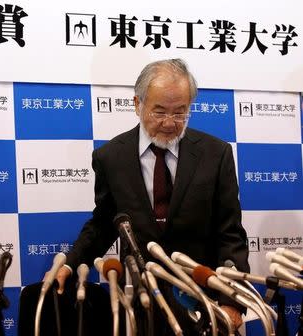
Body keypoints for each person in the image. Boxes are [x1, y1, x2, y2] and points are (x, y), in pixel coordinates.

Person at [52, 58, 250, 334]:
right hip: (139, 303)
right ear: (137, 104)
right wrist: (71, 264)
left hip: (202, 301)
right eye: (159, 112)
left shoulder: (215, 155)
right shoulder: (111, 157)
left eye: (180, 112)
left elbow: (230, 234)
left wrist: (232, 302)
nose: (170, 123)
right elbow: (103, 223)